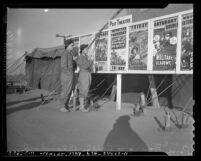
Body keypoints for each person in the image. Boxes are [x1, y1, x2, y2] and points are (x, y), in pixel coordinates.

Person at [75, 44, 94, 112]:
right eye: (86, 49)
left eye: (87, 49)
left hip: (87, 73)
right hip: (84, 74)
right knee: (83, 90)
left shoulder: (85, 57)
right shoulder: (80, 57)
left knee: (86, 89)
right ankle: (81, 107)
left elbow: (88, 66)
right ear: (82, 50)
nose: (87, 50)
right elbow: (85, 66)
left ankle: (82, 106)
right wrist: (91, 60)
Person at [59, 39, 75, 112]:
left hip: (70, 75)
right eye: (72, 45)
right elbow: (63, 66)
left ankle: (65, 105)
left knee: (69, 91)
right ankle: (62, 106)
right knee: (65, 90)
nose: (73, 47)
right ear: (67, 45)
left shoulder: (70, 54)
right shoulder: (64, 54)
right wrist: (69, 74)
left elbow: (71, 65)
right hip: (66, 75)